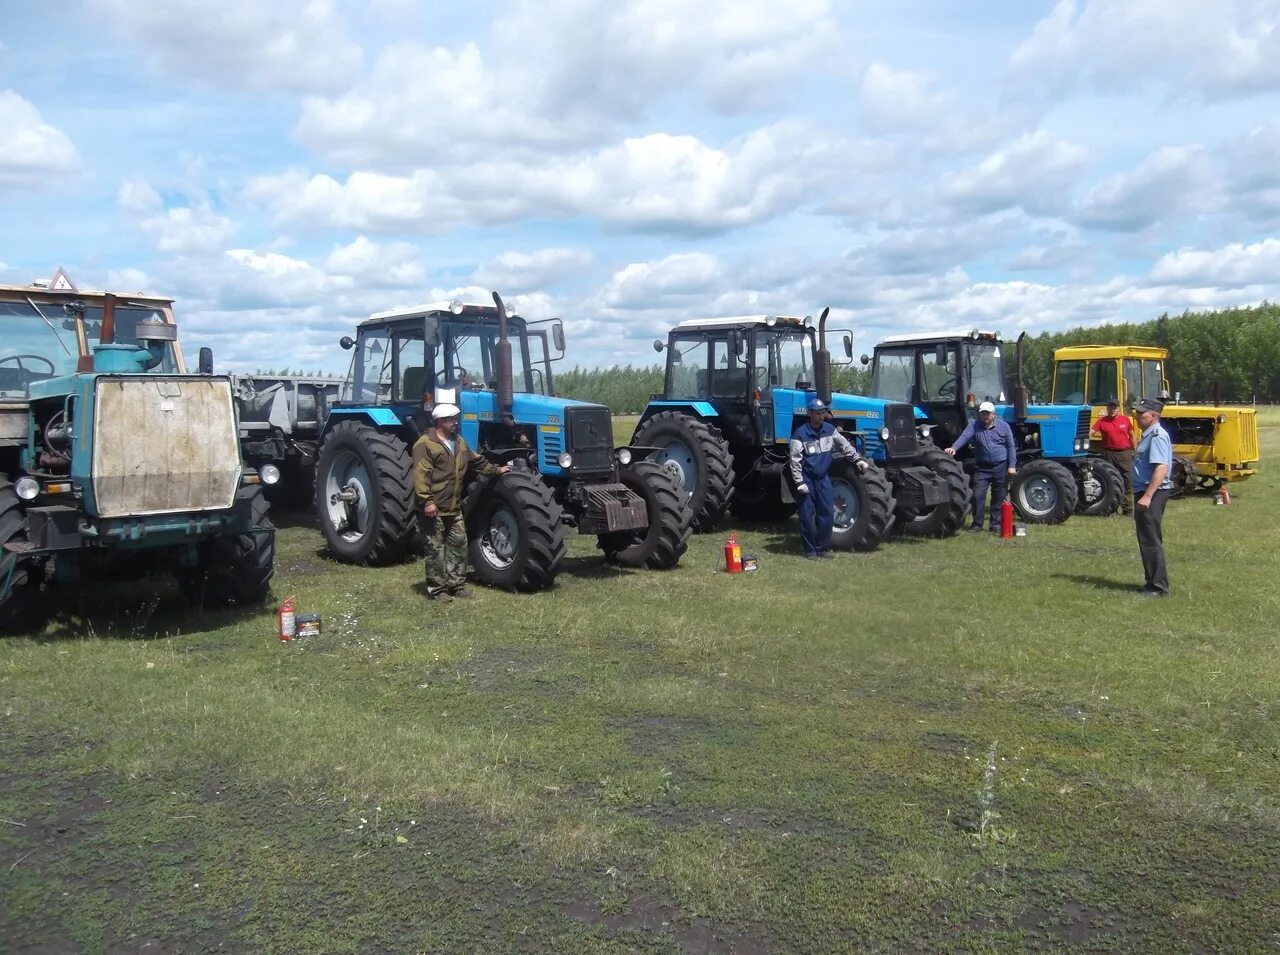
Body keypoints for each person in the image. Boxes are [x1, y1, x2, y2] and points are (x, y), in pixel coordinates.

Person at [411, 403, 510, 602]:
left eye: (455, 419)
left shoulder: (458, 442)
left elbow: (477, 462)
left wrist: (496, 470)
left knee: (459, 545)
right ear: (440, 421)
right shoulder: (425, 444)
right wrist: (427, 502)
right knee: (435, 551)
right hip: (433, 508)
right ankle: (438, 590)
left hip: (453, 507)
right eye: (451, 420)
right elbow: (421, 476)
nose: (455, 423)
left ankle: (456, 585)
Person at [789, 398, 868, 559]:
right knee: (806, 516)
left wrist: (857, 459)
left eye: (823, 413)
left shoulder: (830, 430)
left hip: (823, 479)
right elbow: (795, 460)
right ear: (810, 414)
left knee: (827, 514)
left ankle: (821, 548)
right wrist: (799, 482)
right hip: (807, 479)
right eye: (817, 413)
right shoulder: (800, 434)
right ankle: (810, 551)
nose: (821, 416)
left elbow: (844, 445)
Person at [945, 400, 1018, 532]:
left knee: (998, 496)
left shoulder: (1004, 427)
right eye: (982, 413)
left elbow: (1011, 446)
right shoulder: (974, 425)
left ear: (993, 415)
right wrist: (954, 448)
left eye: (987, 413)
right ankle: (977, 524)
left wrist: (1012, 465)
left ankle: (995, 525)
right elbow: (965, 437)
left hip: (1000, 465)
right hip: (982, 467)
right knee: (978, 495)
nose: (985, 416)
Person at [1132, 397, 1173, 597]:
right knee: (1147, 537)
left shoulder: (1157, 435)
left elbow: (1161, 467)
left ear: (1154, 416)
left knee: (1150, 539)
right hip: (1145, 491)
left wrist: (1148, 495)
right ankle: (1152, 582)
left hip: (1152, 492)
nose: (1137, 416)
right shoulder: (1148, 434)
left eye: (1142, 413)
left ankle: (1158, 586)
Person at [1091, 399, 1136, 515]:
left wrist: (1136, 450)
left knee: (1127, 481)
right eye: (1111, 407)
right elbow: (1091, 431)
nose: (1113, 410)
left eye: (1115, 407)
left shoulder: (1125, 420)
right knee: (1111, 481)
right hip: (1108, 454)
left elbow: (1132, 436)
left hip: (1124, 453)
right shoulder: (1102, 421)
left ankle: (1128, 510)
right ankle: (1112, 509)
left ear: (1118, 408)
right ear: (1107, 408)